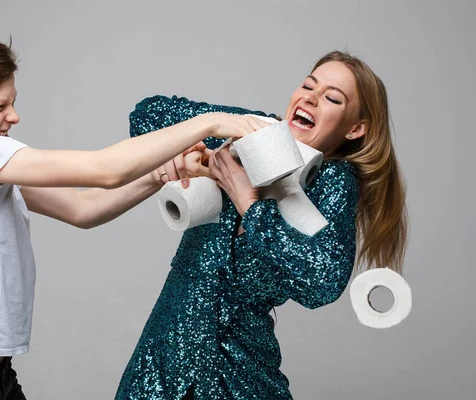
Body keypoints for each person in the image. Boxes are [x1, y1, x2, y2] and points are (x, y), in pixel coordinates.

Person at [0, 30, 270, 400]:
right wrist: (209, 122)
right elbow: (104, 169)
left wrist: (161, 173)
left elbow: (84, 208)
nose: (14, 116)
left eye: (13, 102)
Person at [116, 51, 409, 399]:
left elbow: (324, 281)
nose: (311, 99)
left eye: (332, 98)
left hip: (239, 372)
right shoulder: (251, 132)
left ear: (355, 127)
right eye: (308, 86)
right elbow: (146, 116)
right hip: (162, 357)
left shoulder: (332, 180)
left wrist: (249, 203)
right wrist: (210, 127)